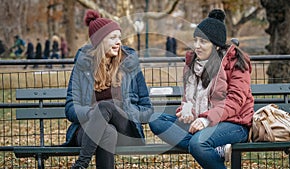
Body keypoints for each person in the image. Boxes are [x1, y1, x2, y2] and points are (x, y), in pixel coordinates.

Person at [149, 9, 254, 169]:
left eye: (203, 41)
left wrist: (206, 119)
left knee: (198, 143)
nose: (197, 46)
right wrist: (186, 111)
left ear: (217, 46)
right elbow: (187, 99)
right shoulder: (192, 64)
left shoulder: (236, 63)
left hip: (234, 124)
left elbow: (235, 101)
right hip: (199, 123)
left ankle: (205, 144)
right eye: (195, 40)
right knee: (156, 121)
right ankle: (214, 149)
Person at [63, 9, 153, 169]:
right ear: (99, 41)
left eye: (119, 37)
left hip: (125, 129)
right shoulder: (82, 67)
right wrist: (92, 113)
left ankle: (81, 164)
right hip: (87, 129)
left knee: (105, 107)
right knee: (107, 131)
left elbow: (147, 109)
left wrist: (125, 110)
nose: (119, 41)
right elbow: (71, 108)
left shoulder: (131, 66)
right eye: (112, 37)